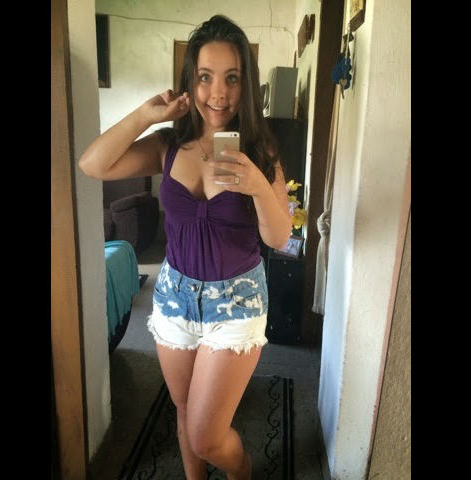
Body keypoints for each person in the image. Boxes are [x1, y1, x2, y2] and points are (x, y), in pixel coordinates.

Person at [79, 14, 291, 479]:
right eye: (205, 77)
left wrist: (257, 185)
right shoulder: (168, 145)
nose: (218, 93)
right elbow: (92, 164)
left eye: (232, 78)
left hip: (236, 302)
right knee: (184, 410)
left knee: (206, 435)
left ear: (246, 84)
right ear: (189, 81)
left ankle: (241, 471)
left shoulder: (260, 151)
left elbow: (279, 238)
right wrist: (146, 114)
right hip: (174, 295)